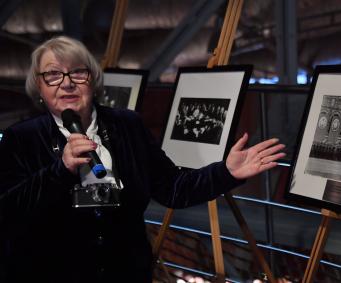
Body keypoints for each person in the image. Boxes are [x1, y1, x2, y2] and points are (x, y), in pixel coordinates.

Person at [0, 36, 285, 283]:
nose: (67, 84)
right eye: (52, 75)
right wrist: (60, 170)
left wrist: (227, 172)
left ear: (93, 79)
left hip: (126, 274)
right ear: (39, 87)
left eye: (78, 72)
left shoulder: (128, 125)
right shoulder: (20, 139)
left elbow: (174, 187)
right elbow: (9, 211)